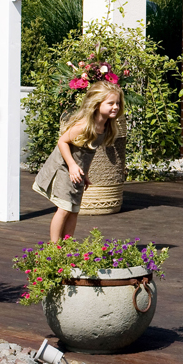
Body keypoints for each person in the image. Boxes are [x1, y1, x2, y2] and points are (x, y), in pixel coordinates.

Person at [32, 80, 124, 242]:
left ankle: (67, 245)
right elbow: (62, 142)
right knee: (64, 208)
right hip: (63, 168)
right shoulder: (84, 125)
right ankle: (54, 248)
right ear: (96, 104)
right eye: (110, 103)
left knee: (74, 210)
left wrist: (85, 173)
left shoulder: (105, 126)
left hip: (76, 171)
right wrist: (73, 165)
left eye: (117, 103)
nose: (115, 107)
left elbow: (87, 153)